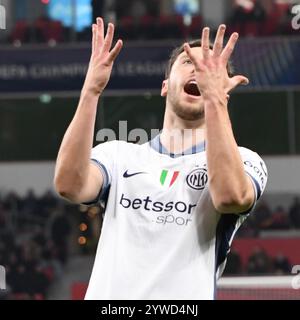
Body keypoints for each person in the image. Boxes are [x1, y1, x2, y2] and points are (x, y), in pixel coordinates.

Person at [54, 17, 268, 299]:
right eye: (188, 62)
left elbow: (230, 197)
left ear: (224, 91)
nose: (200, 70)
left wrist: (214, 98)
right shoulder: (118, 155)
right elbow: (69, 184)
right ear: (165, 86)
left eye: (210, 68)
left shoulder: (246, 161)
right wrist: (91, 91)